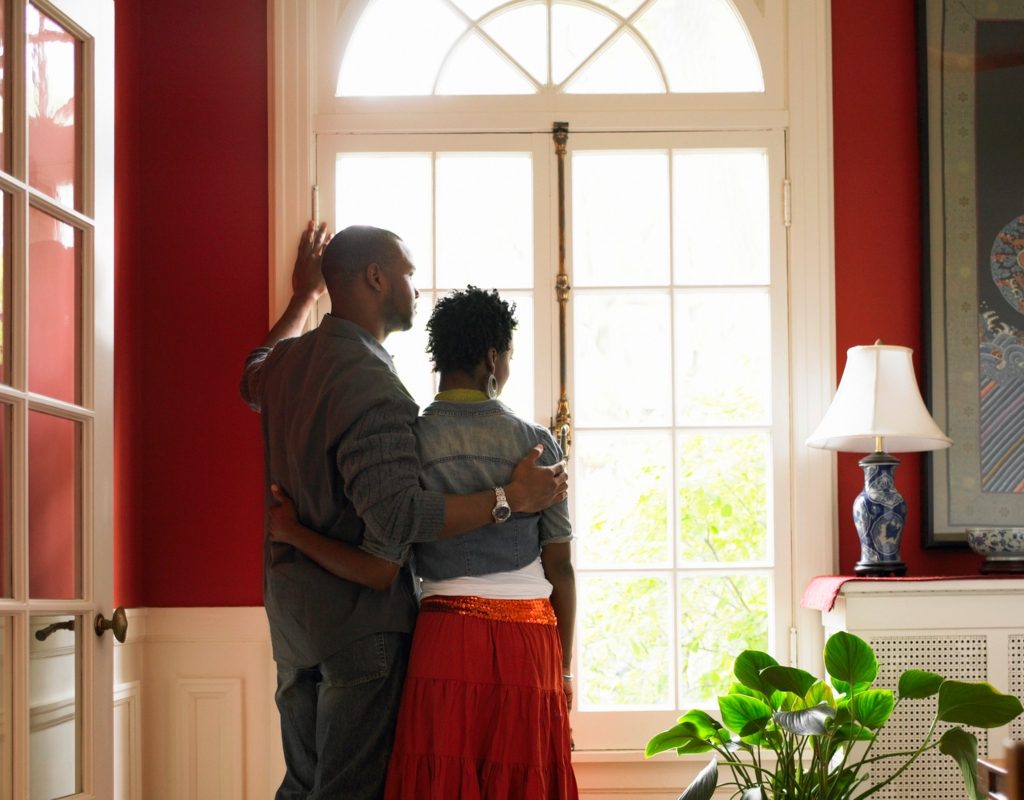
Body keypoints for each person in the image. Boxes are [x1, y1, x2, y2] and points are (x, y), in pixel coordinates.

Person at [240, 224, 567, 800]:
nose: (416, 288)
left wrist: (303, 298)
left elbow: (252, 375)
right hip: (360, 628)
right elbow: (396, 520)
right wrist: (509, 499)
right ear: (376, 277)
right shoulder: (377, 388)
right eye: (409, 274)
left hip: (294, 623)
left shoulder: (289, 364)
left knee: (302, 787)